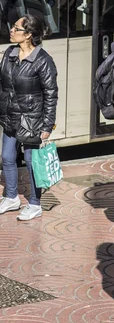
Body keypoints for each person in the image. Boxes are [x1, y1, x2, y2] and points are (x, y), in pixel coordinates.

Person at [0, 14, 58, 221]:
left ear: (29, 35)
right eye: (13, 27)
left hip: (32, 119)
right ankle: (11, 197)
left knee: (31, 162)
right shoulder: (9, 53)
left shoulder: (43, 61)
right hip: (10, 116)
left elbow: (51, 95)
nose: (12, 31)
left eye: (16, 28)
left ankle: (35, 203)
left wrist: (47, 125)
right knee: (7, 157)